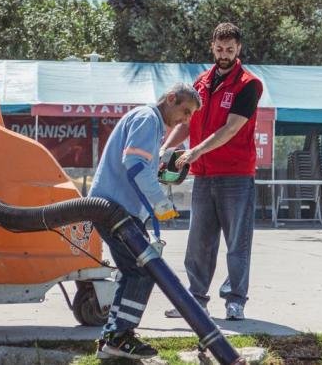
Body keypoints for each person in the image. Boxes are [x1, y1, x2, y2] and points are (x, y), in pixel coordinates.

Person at [89, 83, 201, 360]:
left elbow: (140, 165)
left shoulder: (148, 121)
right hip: (117, 210)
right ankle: (119, 336)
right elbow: (135, 166)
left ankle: (113, 337)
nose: (186, 120)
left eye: (190, 116)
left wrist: (159, 170)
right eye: (185, 111)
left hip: (117, 210)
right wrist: (160, 202)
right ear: (171, 98)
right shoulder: (148, 119)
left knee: (134, 271)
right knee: (141, 271)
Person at [161, 22, 263, 321]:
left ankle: (235, 300)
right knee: (199, 242)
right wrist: (166, 149)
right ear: (212, 46)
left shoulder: (249, 84)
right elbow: (186, 123)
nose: (224, 55)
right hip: (204, 176)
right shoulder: (201, 82)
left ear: (239, 49)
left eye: (230, 50)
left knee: (237, 244)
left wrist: (194, 152)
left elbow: (231, 128)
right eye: (219, 49)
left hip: (236, 175)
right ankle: (195, 300)